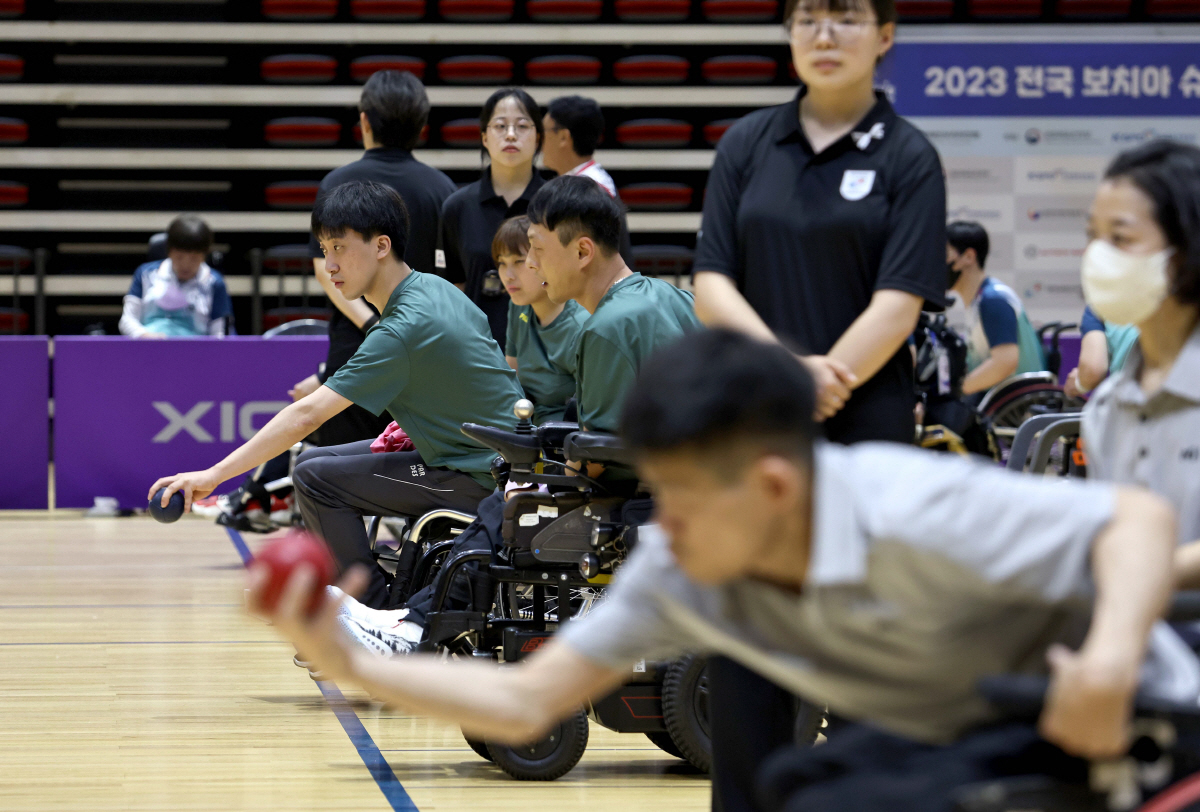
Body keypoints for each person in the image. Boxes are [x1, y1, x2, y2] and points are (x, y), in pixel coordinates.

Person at [252, 328, 1194, 812]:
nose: (668, 524)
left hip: (1135, 723)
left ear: (777, 484)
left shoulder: (904, 501)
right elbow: (528, 699)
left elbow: (1139, 521)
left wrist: (1109, 663)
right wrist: (353, 660)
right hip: (965, 738)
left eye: (690, 496)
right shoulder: (684, 557)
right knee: (805, 793)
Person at [687, 0, 948, 801]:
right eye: (808, 18)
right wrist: (789, 374)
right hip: (759, 433)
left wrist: (827, 375)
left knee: (867, 656)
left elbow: (900, 301)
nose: (825, 36)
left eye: (845, 17)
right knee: (746, 650)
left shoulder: (909, 156)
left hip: (868, 432)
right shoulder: (746, 145)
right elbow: (711, 285)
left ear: (886, 35)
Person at [332, 176, 696, 653]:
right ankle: (412, 618)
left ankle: (415, 629)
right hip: (689, 483)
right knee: (517, 485)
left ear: (582, 252)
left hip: (646, 498)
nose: (533, 263)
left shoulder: (606, 327)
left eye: (539, 250)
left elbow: (601, 456)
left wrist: (551, 467)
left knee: (516, 495)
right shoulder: (671, 296)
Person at [149, 180, 524, 611]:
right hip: (476, 457)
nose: (329, 264)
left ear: (381, 245)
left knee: (314, 478)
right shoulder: (434, 289)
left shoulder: (401, 329)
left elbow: (307, 415)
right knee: (310, 461)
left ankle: (376, 611)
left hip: (481, 479)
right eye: (325, 249)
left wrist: (212, 476)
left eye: (339, 248)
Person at [194, 72, 459, 531]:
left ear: (363, 122)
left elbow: (324, 270)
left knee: (340, 467)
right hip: (425, 353)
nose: (334, 261)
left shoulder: (341, 181)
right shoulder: (444, 190)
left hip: (361, 347)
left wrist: (369, 325)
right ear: (422, 125)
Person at [1078, 140, 1200, 585]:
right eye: (1093, 235)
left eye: (1120, 237)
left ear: (1185, 249)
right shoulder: (1106, 406)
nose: (1097, 255)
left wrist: (1143, 578)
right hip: (1145, 643)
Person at [437, 88, 546, 347]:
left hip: (547, 355)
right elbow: (452, 288)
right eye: (500, 126)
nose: (510, 134)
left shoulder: (555, 204)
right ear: (484, 137)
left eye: (522, 125)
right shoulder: (457, 207)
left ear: (538, 137)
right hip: (476, 353)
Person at [496, 215, 588, 425]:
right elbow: (512, 381)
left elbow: (596, 414)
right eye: (502, 263)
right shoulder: (518, 305)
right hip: (527, 431)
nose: (508, 275)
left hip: (566, 441)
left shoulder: (580, 326)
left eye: (518, 261)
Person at [946, 220, 1046, 397]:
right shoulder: (979, 300)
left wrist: (956, 392)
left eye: (943, 253)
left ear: (969, 257)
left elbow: (1005, 362)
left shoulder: (993, 299)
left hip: (1015, 410)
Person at [120, 215, 231, 338]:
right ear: (169, 251)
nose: (186, 265)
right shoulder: (145, 274)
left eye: (194, 258)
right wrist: (145, 336)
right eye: (179, 257)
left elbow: (219, 332)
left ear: (204, 255)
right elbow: (127, 320)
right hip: (147, 349)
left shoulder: (214, 282)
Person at [541, 95, 617, 197]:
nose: (539, 139)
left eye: (544, 131)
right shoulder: (584, 185)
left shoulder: (587, 193)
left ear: (563, 137)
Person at [1064, 306, 1139, 398]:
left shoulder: (1098, 306)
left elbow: (1093, 371)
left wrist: (1078, 384)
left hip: (1131, 402)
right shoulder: (1159, 302)